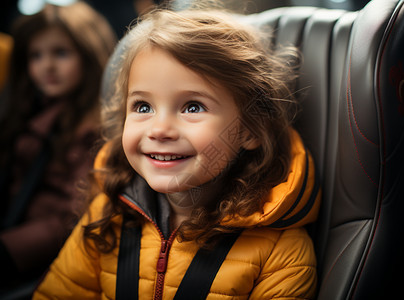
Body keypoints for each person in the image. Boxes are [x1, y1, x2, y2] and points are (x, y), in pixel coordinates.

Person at [33, 5, 321, 299]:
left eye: (192, 107)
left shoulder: (280, 250)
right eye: (143, 107)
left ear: (250, 131)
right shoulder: (107, 214)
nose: (159, 130)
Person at [0, 1, 116, 288]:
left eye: (61, 53)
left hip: (39, 260)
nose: (47, 66)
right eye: (35, 56)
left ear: (89, 57)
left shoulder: (95, 128)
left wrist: (7, 248)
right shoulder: (28, 111)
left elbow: (72, 214)